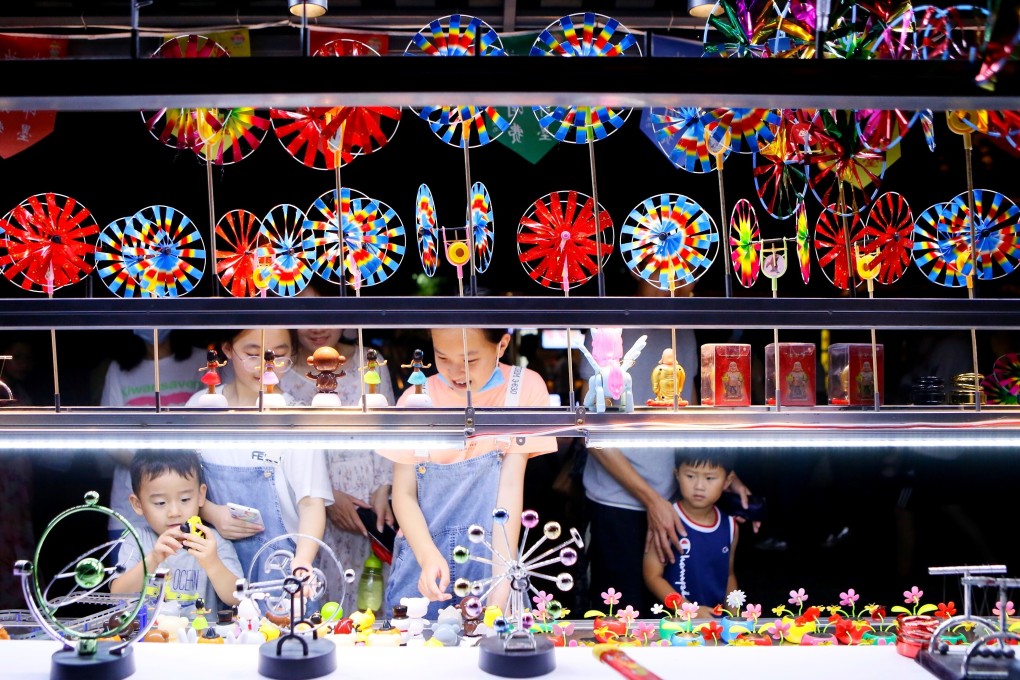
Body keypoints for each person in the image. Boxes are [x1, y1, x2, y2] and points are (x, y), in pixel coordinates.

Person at [378, 328, 557, 619]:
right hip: (422, 563)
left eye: (470, 360)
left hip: (492, 559)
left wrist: (501, 586)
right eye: (442, 357)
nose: (455, 371)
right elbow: (403, 495)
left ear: (502, 345)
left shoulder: (524, 388)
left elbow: (509, 493)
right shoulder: (415, 398)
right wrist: (427, 555)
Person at [186, 328, 332, 581]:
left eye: (280, 356)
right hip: (209, 569)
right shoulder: (201, 407)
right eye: (253, 355)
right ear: (228, 350)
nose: (267, 367)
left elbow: (311, 503)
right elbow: (178, 487)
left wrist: (303, 562)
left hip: (280, 571)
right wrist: (211, 512)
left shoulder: (296, 418)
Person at [100, 330, 202, 541]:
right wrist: (151, 468)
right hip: (131, 509)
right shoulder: (119, 369)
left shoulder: (201, 361)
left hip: (187, 502)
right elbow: (108, 437)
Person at [112, 451, 242, 611]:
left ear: (201, 495)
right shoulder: (137, 540)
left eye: (185, 499)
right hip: (147, 635)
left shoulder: (212, 541)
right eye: (160, 503)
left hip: (199, 635)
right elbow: (118, 595)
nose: (174, 512)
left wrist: (212, 563)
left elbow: (238, 599)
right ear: (138, 504)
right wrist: (153, 559)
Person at [643, 451, 739, 616]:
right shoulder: (666, 520)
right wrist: (688, 610)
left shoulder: (730, 526)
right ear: (677, 475)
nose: (699, 486)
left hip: (714, 623)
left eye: (709, 478)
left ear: (727, 481)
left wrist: (736, 618)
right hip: (672, 624)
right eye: (690, 476)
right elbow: (652, 576)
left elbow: (729, 575)